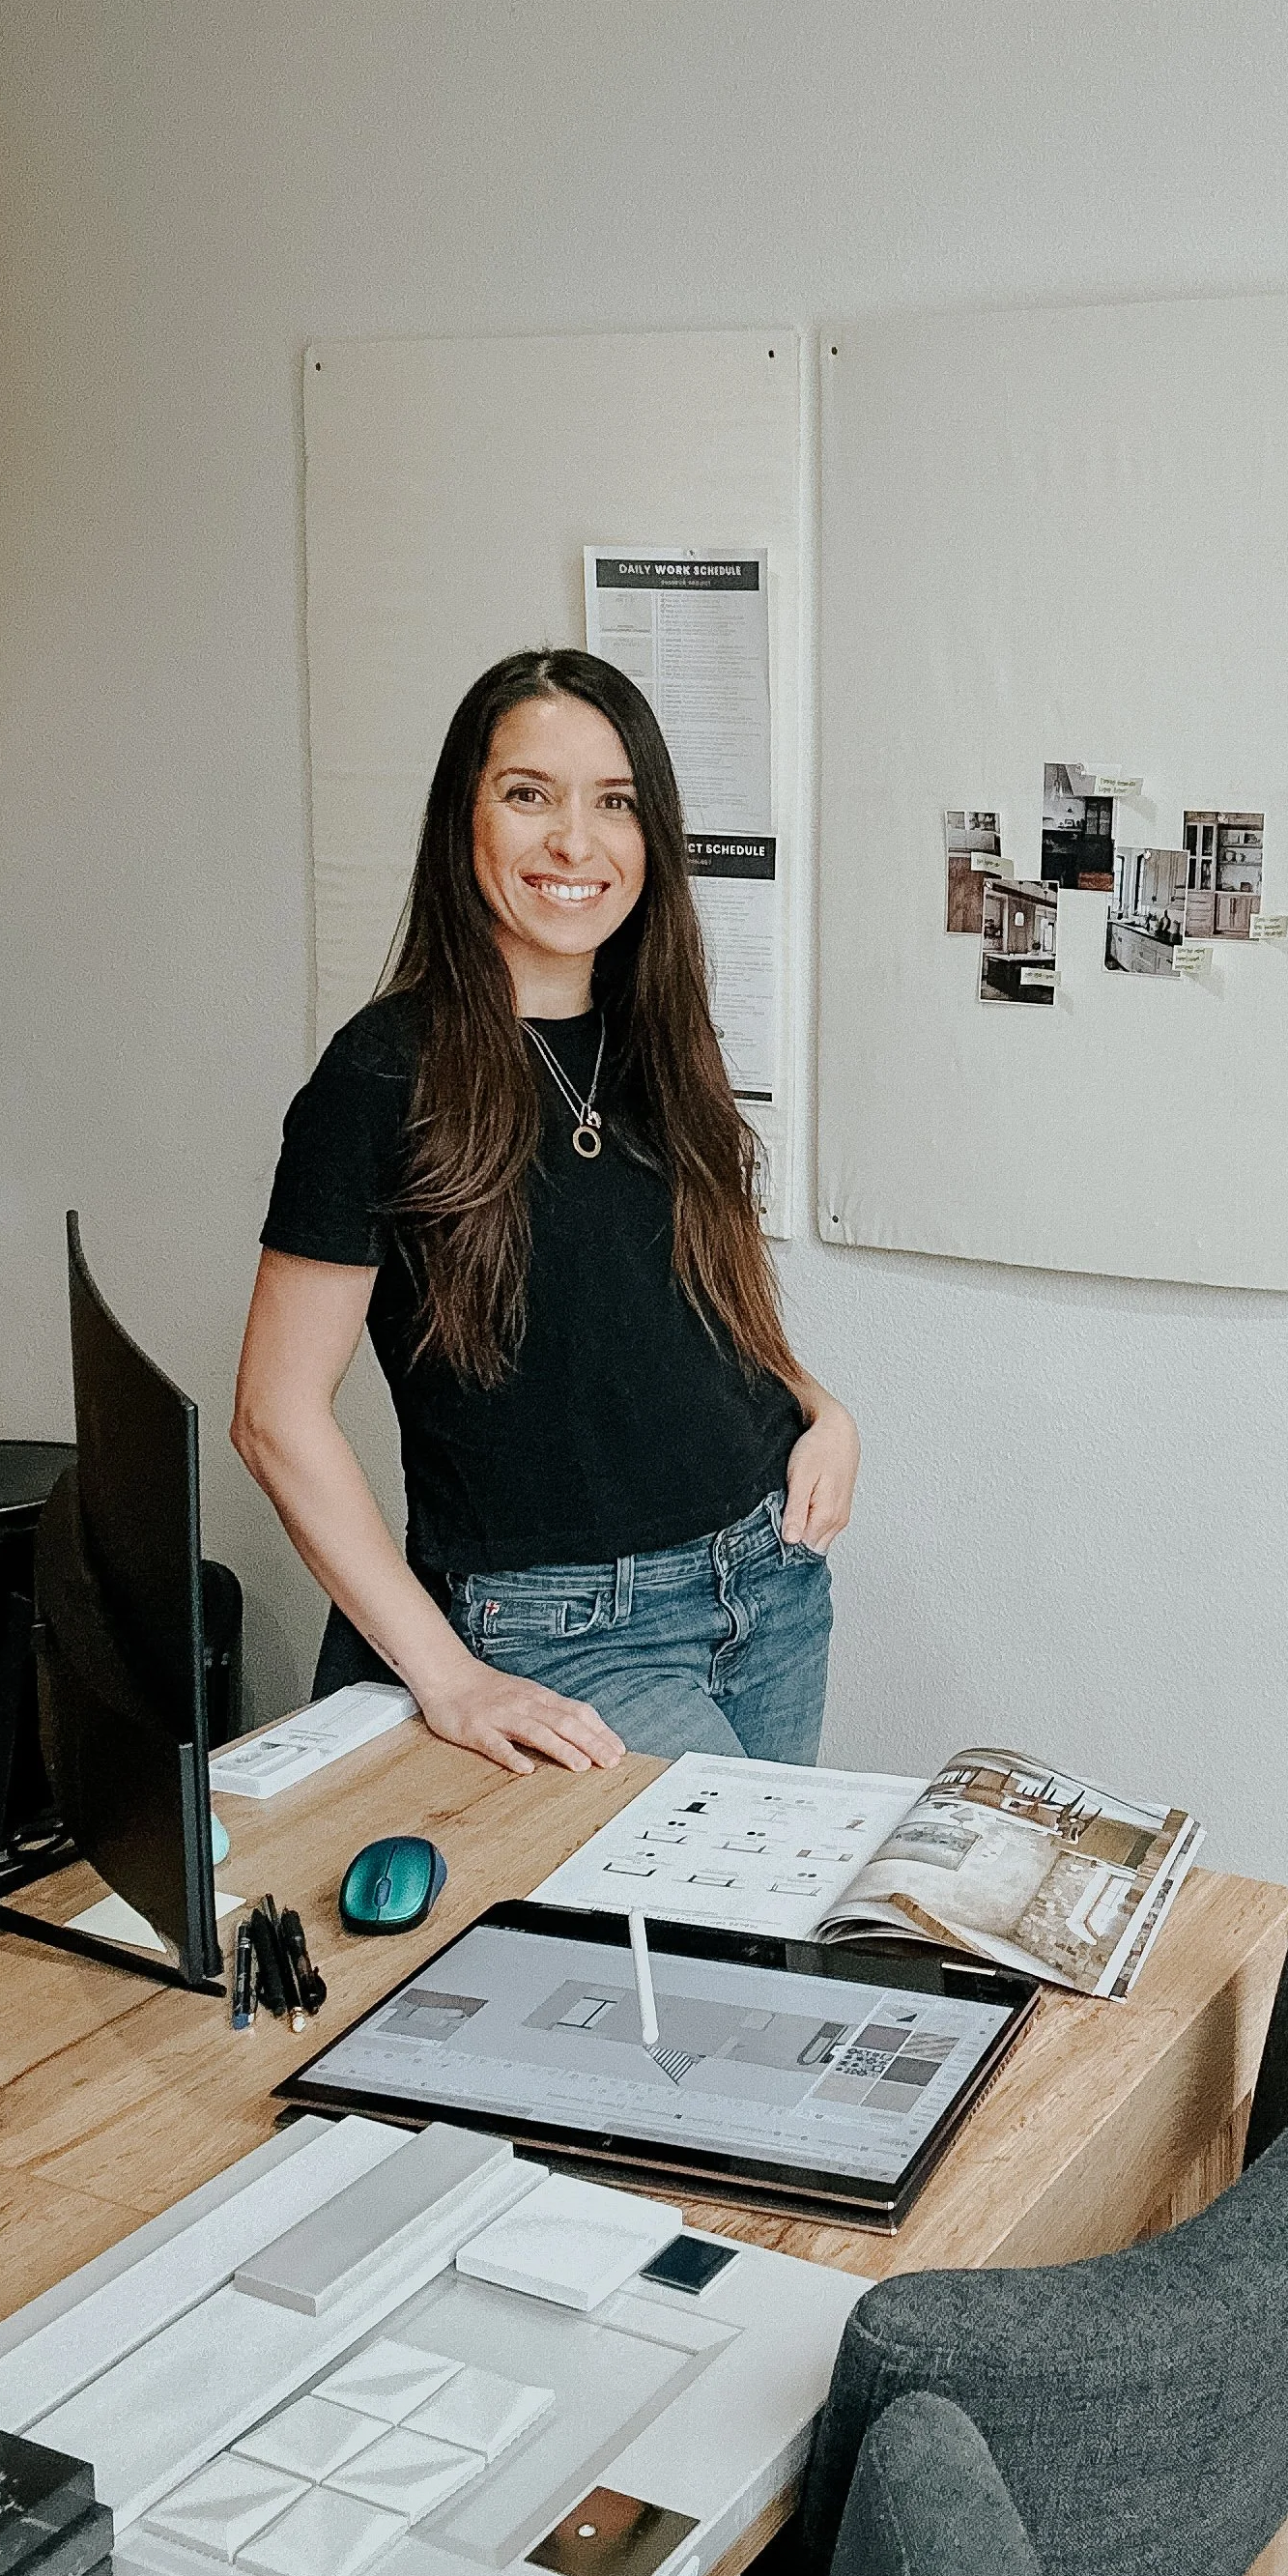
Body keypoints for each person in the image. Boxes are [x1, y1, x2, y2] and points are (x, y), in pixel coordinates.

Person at [233, 646, 857, 1776]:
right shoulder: (383, 1072)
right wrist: (447, 1675)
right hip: (561, 1628)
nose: (576, 843)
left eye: (613, 803)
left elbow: (689, 1302)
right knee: (703, 1938)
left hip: (771, 1584)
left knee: (749, 1949)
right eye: (530, 795)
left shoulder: (666, 1035)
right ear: (462, 820)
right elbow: (275, 1417)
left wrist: (821, 1410)